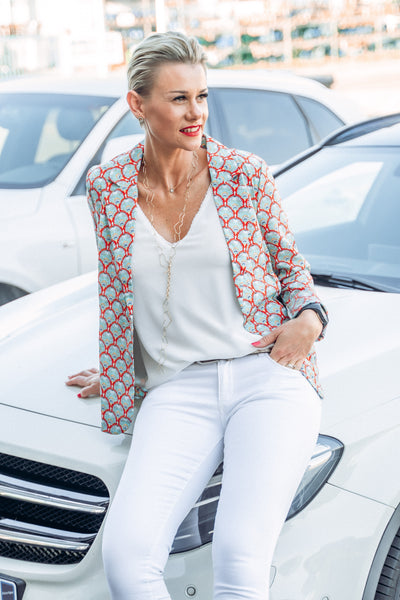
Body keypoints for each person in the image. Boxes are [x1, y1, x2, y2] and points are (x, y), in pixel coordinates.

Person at [67, 31, 328, 600]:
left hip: (266, 376)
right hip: (178, 386)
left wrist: (310, 320)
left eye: (202, 96)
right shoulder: (107, 187)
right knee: (127, 558)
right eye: (179, 98)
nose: (196, 112)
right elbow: (117, 293)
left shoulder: (244, 174)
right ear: (138, 105)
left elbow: (292, 268)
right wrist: (119, 370)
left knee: (238, 557)